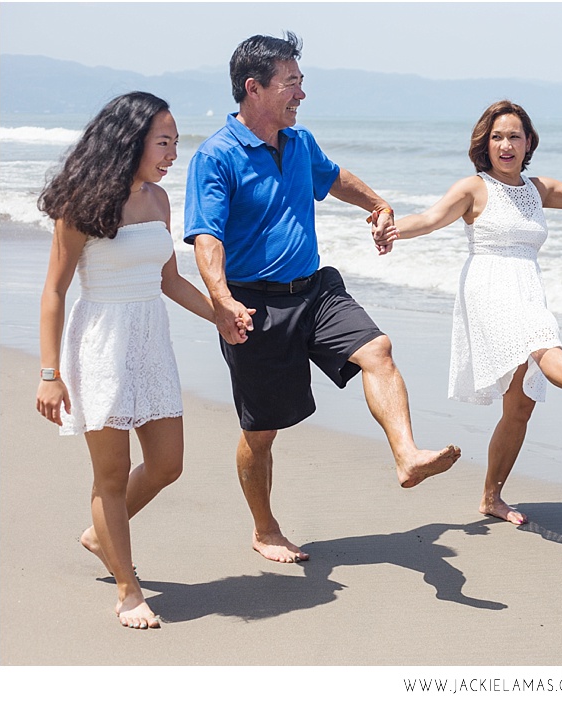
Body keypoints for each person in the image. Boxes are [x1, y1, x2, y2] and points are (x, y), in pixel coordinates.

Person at [183, 32, 460, 564]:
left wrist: (378, 204)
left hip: (314, 290)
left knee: (378, 350)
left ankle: (407, 456)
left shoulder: (300, 143)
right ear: (254, 88)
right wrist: (219, 299)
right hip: (252, 306)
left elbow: (333, 179)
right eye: (291, 84)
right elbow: (206, 237)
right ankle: (265, 529)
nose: (300, 94)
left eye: (301, 83)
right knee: (261, 431)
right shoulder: (216, 157)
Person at [376, 100, 562, 525]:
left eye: (514, 136)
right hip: (487, 288)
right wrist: (393, 229)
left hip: (526, 286)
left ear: (528, 142)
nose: (506, 144)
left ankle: (491, 496)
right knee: (541, 340)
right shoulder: (474, 188)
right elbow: (429, 219)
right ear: (485, 143)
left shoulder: (538, 190)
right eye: (497, 137)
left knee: (520, 405)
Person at [36, 92, 242, 629]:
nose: (174, 152)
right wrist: (49, 375)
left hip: (150, 341)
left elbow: (169, 279)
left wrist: (219, 314)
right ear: (131, 140)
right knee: (109, 475)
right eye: (165, 141)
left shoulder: (158, 200)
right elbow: (54, 292)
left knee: (168, 463)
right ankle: (128, 592)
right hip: (101, 342)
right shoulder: (82, 203)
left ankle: (100, 532)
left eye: (175, 142)